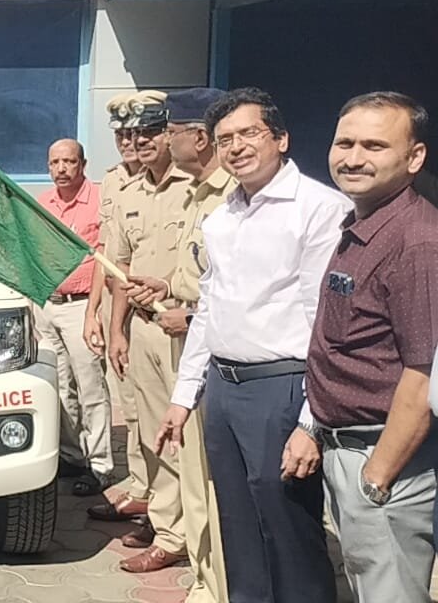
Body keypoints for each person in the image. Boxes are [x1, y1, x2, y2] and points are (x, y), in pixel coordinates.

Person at [149, 88, 345, 602]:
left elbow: (327, 324)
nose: (236, 147)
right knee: (238, 527)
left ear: (281, 139)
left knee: (288, 528)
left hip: (282, 388)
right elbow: (209, 309)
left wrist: (311, 422)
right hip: (224, 388)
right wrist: (183, 396)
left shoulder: (319, 210)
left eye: (249, 134)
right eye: (225, 139)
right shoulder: (222, 217)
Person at [307, 92, 438, 603]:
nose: (354, 157)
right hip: (350, 450)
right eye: (345, 143)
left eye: (375, 146)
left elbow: (424, 374)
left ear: (415, 157)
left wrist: (377, 478)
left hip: (387, 459)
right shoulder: (364, 225)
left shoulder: (417, 243)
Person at [121, 88, 230, 600]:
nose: (155, 140)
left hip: (202, 341)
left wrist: (188, 312)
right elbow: (193, 269)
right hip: (162, 327)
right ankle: (182, 546)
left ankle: (210, 567)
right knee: (165, 443)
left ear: (198, 138)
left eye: (165, 131)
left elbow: (238, 287)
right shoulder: (199, 194)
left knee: (200, 464)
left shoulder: (228, 196)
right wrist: (165, 288)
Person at [107, 92, 194, 572]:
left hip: (184, 327)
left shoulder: (196, 189)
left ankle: (185, 532)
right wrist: (117, 330)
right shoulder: (128, 193)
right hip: (142, 329)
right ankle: (166, 524)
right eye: (132, 134)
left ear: (170, 135)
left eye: (150, 133)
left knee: (185, 436)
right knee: (149, 435)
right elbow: (119, 268)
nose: (139, 142)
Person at [85, 93, 155, 525]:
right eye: (121, 136)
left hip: (148, 303)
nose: (128, 143)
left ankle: (153, 494)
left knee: (149, 406)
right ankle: (141, 487)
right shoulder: (111, 181)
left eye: (136, 134)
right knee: (128, 404)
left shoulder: (162, 181)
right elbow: (106, 254)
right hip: (116, 303)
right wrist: (93, 310)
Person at [34, 139, 112, 497]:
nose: (61, 169)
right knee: (60, 385)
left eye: (69, 161)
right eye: (55, 163)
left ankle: (100, 465)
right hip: (47, 305)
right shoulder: (42, 203)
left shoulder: (99, 200)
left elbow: (105, 259)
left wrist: (94, 311)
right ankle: (72, 455)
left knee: (90, 385)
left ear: (83, 164)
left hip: (82, 306)